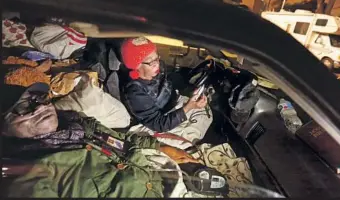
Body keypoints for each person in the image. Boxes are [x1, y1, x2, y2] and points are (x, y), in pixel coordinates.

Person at [1, 83, 216, 198]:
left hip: (160, 182)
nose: (39, 107)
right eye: (23, 107)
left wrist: (162, 146)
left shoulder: (80, 124)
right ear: (4, 131)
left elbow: (122, 140)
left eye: (41, 99)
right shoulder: (26, 173)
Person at [121, 37, 213, 149]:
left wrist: (192, 93)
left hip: (173, 104)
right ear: (136, 66)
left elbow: (172, 82)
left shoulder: (159, 68)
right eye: (151, 61)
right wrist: (188, 107)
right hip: (156, 123)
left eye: (157, 58)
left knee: (206, 114)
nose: (157, 64)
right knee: (184, 142)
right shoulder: (135, 92)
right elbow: (159, 124)